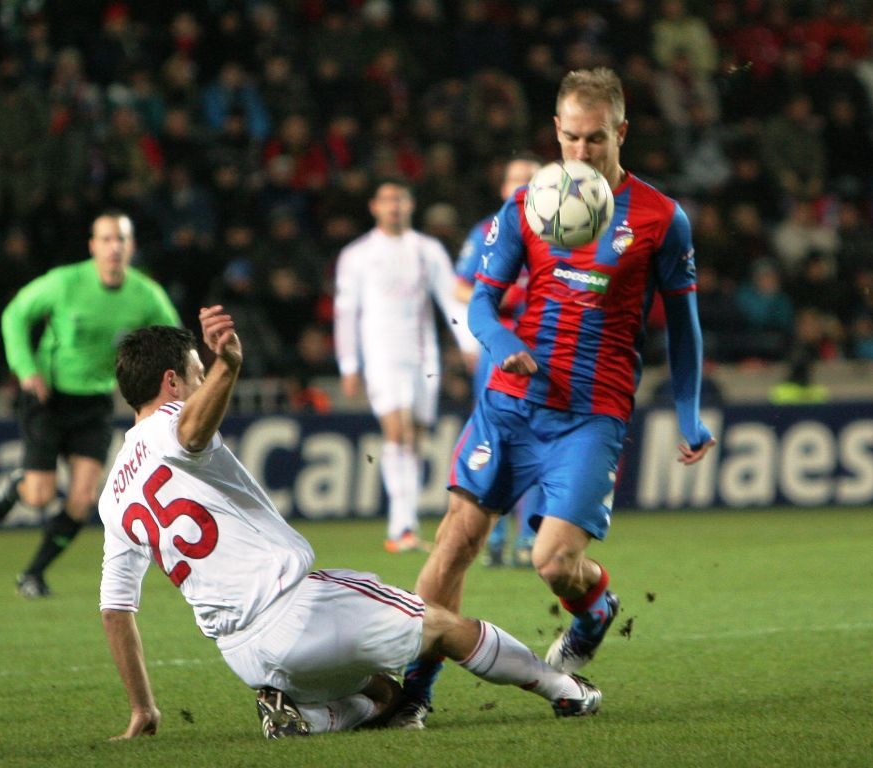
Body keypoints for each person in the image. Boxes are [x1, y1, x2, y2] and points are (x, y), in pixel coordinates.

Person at [99, 312, 602, 742]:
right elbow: (187, 434)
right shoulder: (171, 422)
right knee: (444, 624)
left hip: (244, 656)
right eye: (195, 372)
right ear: (171, 381)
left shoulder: (113, 496)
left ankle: (313, 718)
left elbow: (115, 610)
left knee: (384, 694)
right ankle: (564, 690)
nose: (200, 380)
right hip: (294, 610)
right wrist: (228, 365)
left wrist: (143, 707)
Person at [394, 67, 717, 729]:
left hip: (591, 413)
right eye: (570, 138)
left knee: (553, 561)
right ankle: (415, 693)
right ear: (556, 131)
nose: (580, 153)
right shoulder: (528, 204)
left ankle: (594, 608)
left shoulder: (661, 218)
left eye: (595, 140)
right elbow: (479, 303)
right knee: (455, 541)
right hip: (512, 399)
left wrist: (688, 411)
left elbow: (683, 324)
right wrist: (503, 339)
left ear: (621, 133)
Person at [0, 211, 180, 598]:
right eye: (106, 240)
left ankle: (33, 574)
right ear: (93, 246)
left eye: (121, 240)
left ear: (131, 246)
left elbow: (174, 341)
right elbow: (15, 316)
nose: (114, 248)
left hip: (94, 403)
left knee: (82, 499)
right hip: (48, 396)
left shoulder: (145, 294)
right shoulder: (65, 283)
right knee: (40, 496)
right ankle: (19, 484)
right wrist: (25, 369)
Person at [333, 179, 477, 553]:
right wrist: (349, 363)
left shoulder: (427, 250)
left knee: (414, 437)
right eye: (387, 200)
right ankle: (401, 526)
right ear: (374, 207)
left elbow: (450, 299)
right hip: (381, 355)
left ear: (410, 205)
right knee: (396, 433)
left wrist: (467, 343)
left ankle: (406, 524)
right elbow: (346, 313)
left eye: (400, 199)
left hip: (422, 357)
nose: (394, 206)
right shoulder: (357, 254)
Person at [454, 154, 541, 568]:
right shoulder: (487, 230)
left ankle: (530, 538)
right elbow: (459, 288)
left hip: (545, 347)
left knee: (541, 439)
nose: (523, 185)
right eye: (516, 179)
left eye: (532, 178)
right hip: (500, 347)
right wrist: (498, 305)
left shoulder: (564, 230)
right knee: (495, 440)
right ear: (504, 188)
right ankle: (493, 536)